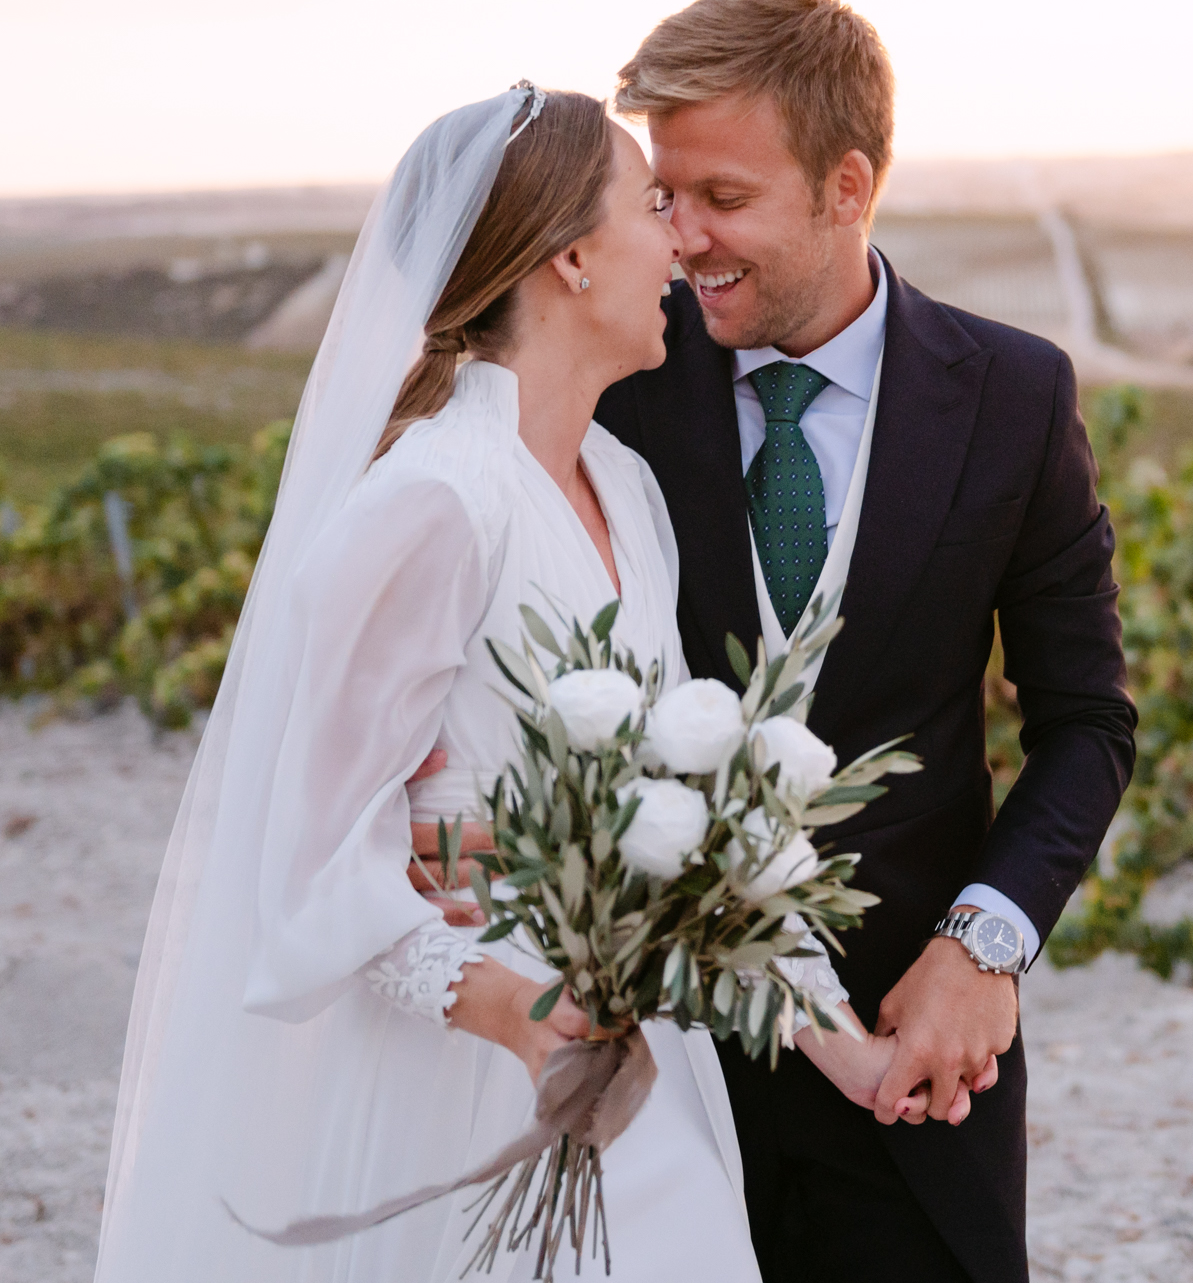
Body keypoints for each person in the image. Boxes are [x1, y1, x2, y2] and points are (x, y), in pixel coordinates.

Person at [95, 84, 901, 1282]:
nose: (681, 239)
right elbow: (316, 853)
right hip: (462, 1070)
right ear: (572, 258)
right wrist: (522, 1017)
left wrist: (856, 1056)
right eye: (651, 205)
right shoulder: (433, 501)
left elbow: (680, 816)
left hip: (627, 1048)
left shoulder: (623, 485)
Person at [582, 0, 1137, 1283]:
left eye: (723, 197)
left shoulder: (1011, 392)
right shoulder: (614, 368)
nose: (682, 235)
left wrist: (984, 941)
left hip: (910, 1055)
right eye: (665, 195)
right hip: (654, 1062)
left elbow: (1087, 720)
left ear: (847, 185)